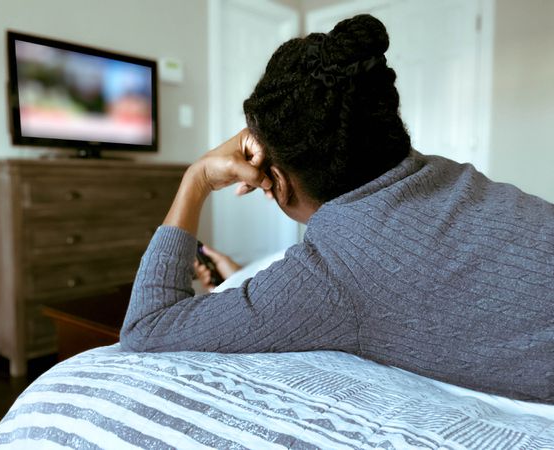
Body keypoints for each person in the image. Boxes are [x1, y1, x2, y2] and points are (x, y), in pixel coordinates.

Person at [120, 14, 554, 403]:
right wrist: (246, 281)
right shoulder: (442, 173)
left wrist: (195, 179)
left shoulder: (332, 272)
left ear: (278, 182)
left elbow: (146, 328)